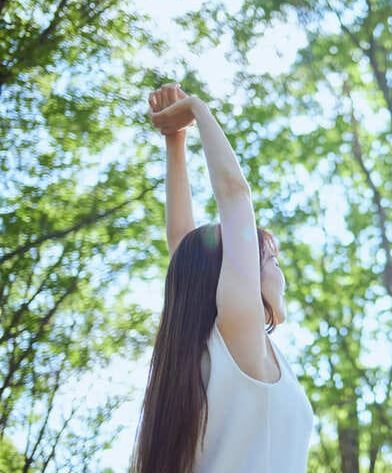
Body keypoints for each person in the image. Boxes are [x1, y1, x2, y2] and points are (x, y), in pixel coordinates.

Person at [130, 83, 314, 473]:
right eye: (273, 263)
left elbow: (184, 245)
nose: (282, 275)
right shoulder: (240, 335)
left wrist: (174, 141)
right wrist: (196, 109)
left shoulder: (219, 351)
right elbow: (234, 194)